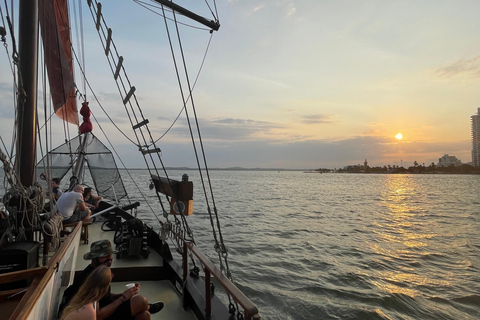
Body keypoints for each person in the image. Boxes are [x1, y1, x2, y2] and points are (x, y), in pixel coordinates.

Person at [59, 240, 164, 320]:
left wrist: (120, 295)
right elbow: (97, 315)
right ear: (94, 258)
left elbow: (102, 296)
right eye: (104, 256)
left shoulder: (100, 271)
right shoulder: (90, 279)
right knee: (141, 301)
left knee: (144, 315)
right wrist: (123, 298)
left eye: (110, 255)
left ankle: (146, 308)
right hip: (101, 315)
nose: (109, 260)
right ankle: (148, 306)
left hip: (108, 307)